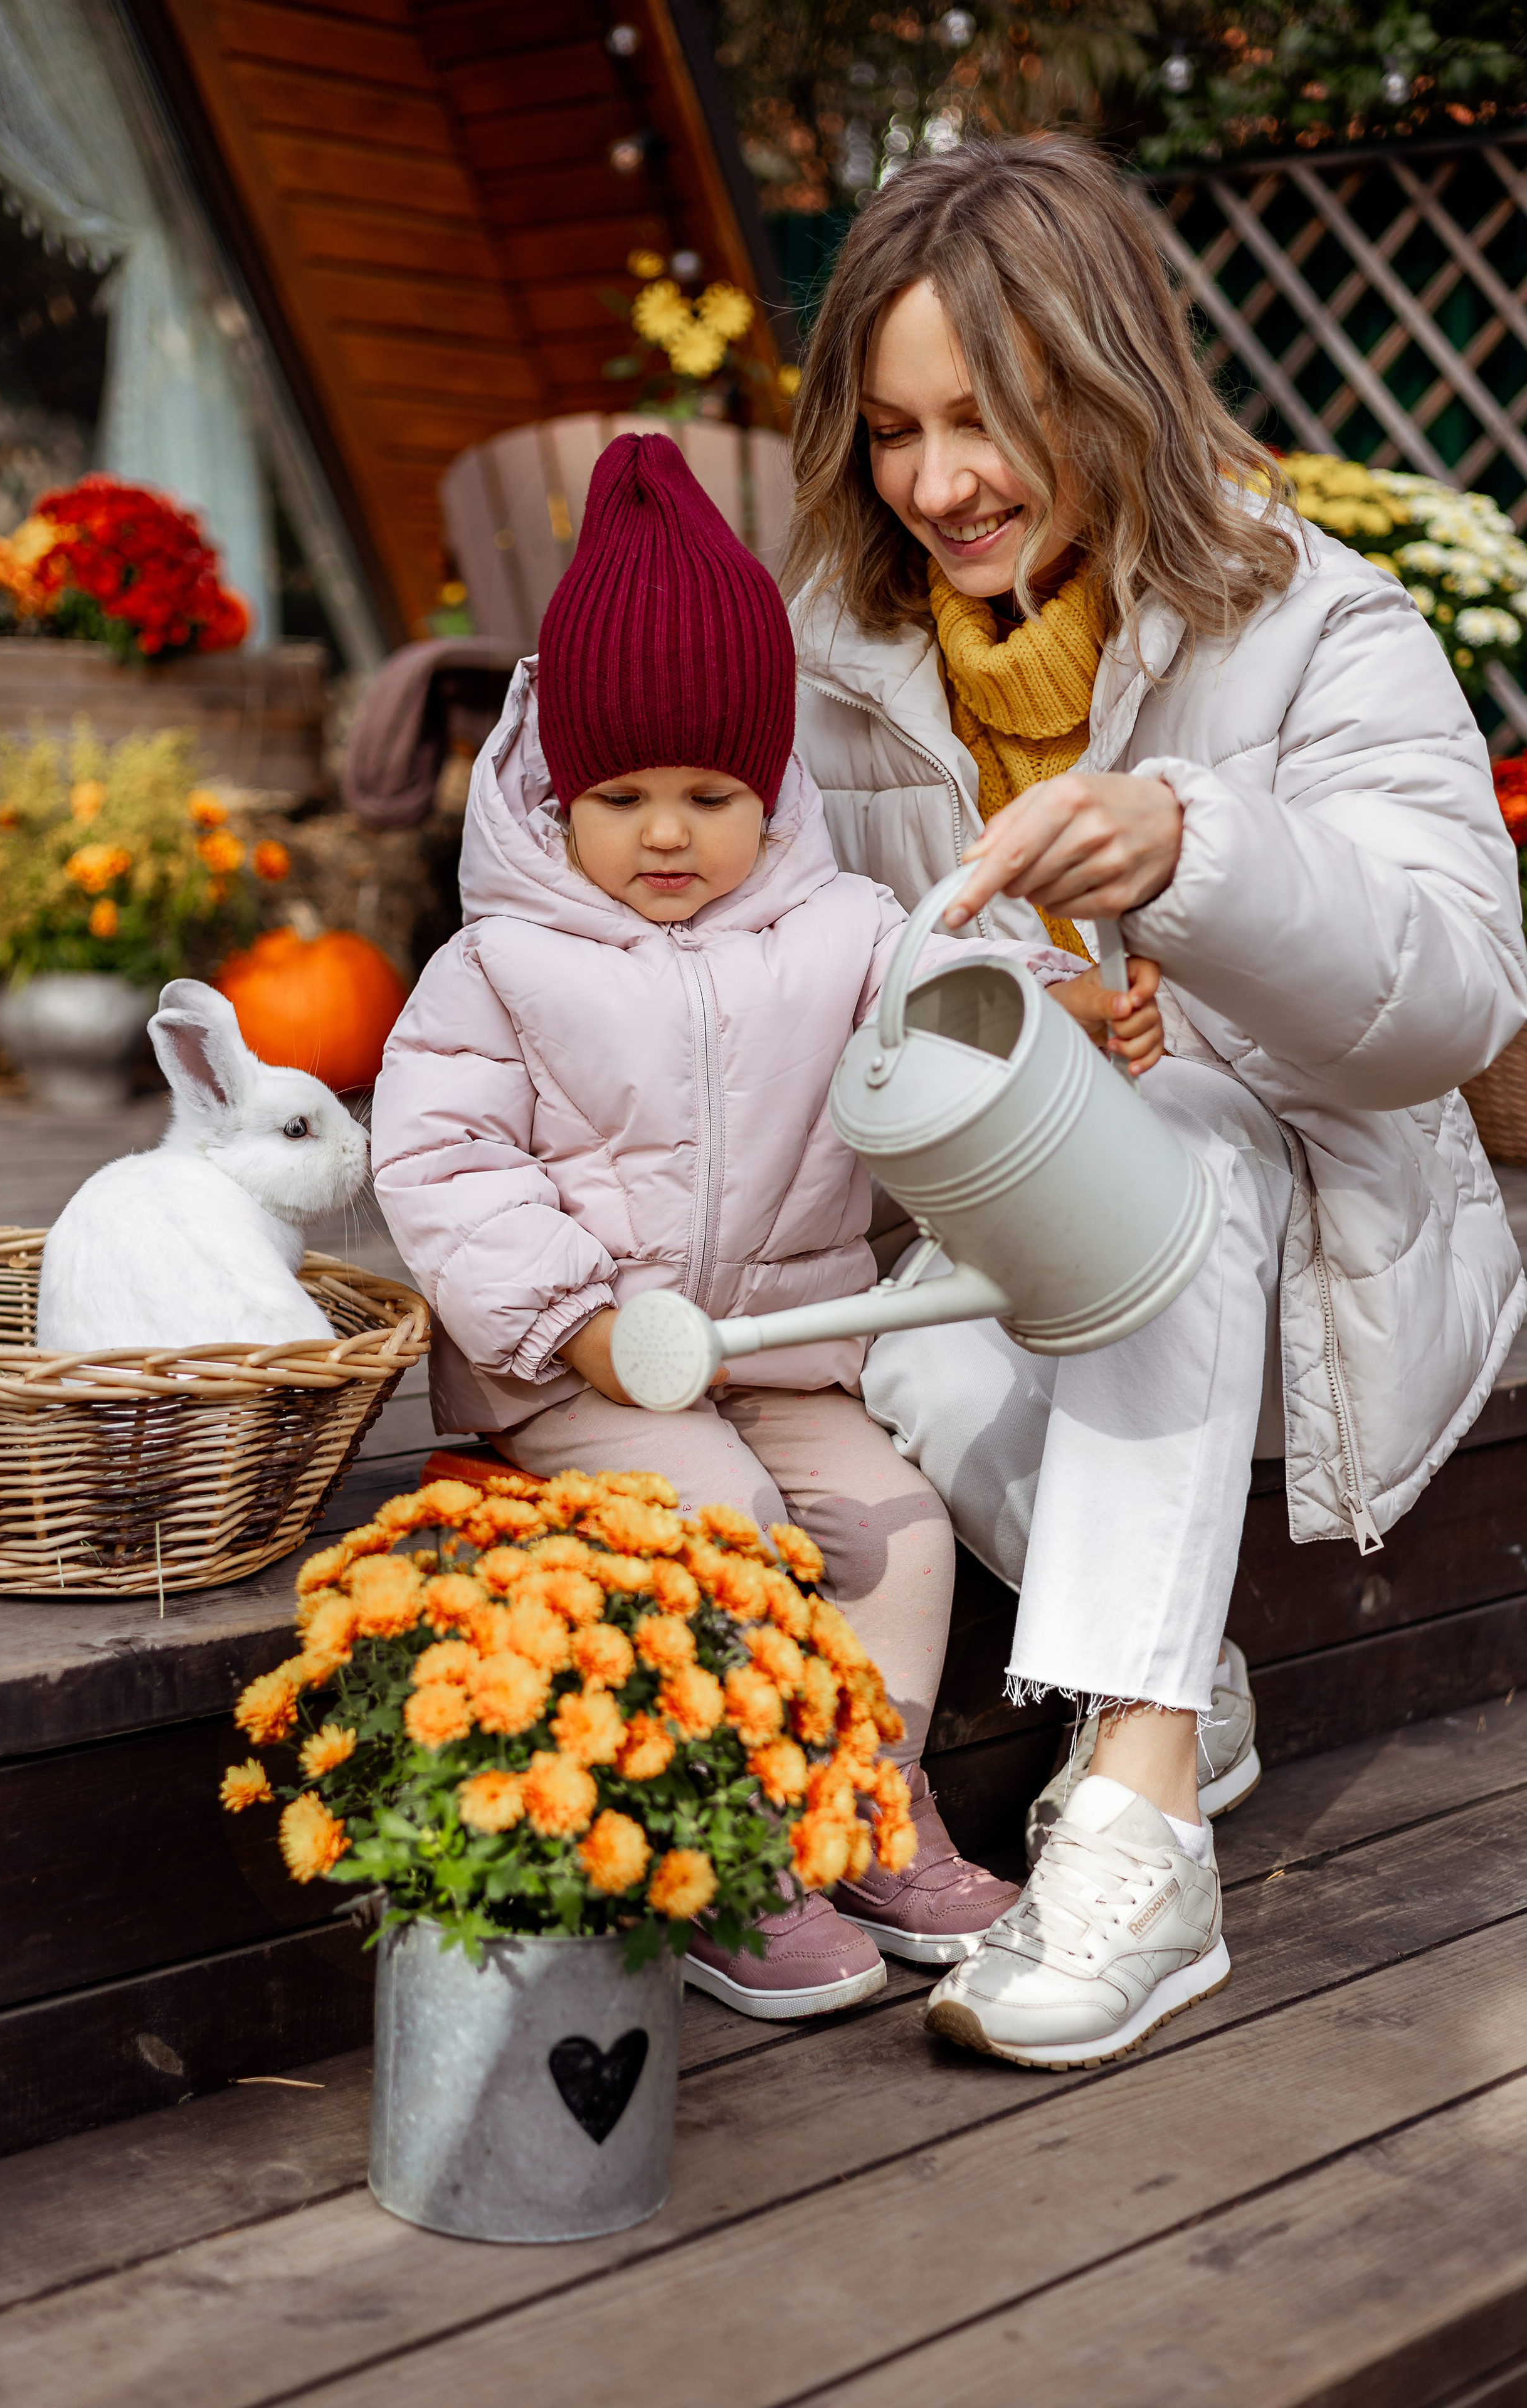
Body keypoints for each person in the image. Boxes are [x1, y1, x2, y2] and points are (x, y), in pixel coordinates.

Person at [785, 134, 1527, 2069]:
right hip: (1013, 1234)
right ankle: (1174, 1645)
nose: (934, 485)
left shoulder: (1318, 624)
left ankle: (1137, 1813)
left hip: (1315, 1238)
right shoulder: (837, 663)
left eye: (984, 421)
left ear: (1105, 382)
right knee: (925, 1368)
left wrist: (1193, 856)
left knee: (1177, 1148)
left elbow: (1454, 991)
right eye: (889, 431)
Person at [373, 432, 1155, 2020]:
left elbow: (943, 1004)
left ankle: (857, 1795)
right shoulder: (499, 966)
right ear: (554, 792)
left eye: (710, 795)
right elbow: (447, 1168)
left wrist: (1053, 1009)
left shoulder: (838, 929)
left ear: (771, 786)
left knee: (897, 1524)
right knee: (722, 1526)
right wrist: (573, 1322)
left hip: (786, 1349)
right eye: (623, 798)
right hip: (586, 1375)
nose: (667, 835)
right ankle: (726, 1847)